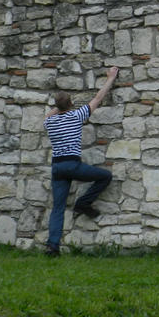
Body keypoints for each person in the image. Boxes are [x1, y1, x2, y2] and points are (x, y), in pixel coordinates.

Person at [43, 66, 120, 255]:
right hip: (72, 165)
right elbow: (97, 99)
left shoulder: (49, 122)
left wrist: (59, 106)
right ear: (71, 104)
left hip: (57, 168)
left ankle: (52, 246)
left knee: (58, 208)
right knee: (105, 176)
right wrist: (110, 78)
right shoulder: (77, 116)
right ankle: (83, 203)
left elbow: (50, 114)